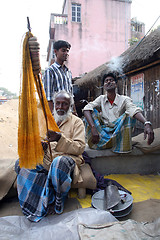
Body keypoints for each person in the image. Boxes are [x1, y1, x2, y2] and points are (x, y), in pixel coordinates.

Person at [15, 90, 85, 222]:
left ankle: (57, 202)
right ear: (53, 104)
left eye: (64, 104)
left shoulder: (77, 122)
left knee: (59, 163)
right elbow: (39, 141)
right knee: (22, 163)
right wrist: (39, 147)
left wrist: (59, 138)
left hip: (66, 161)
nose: (60, 107)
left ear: (70, 106)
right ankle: (35, 203)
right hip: (47, 160)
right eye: (57, 103)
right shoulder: (47, 121)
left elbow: (80, 147)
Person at [83, 72, 154, 153]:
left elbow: (133, 110)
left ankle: (121, 147)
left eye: (111, 80)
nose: (109, 82)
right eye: (106, 81)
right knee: (90, 112)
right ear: (104, 86)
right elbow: (86, 108)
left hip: (118, 134)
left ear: (116, 84)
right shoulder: (101, 98)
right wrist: (93, 128)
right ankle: (99, 143)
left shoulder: (124, 99)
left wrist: (146, 123)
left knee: (129, 115)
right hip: (103, 134)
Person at [43, 40, 75, 113]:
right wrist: (53, 117)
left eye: (67, 51)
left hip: (68, 112)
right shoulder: (50, 71)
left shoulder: (68, 72)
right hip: (57, 113)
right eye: (63, 51)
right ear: (55, 52)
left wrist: (74, 111)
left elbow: (71, 95)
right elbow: (48, 97)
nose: (66, 53)